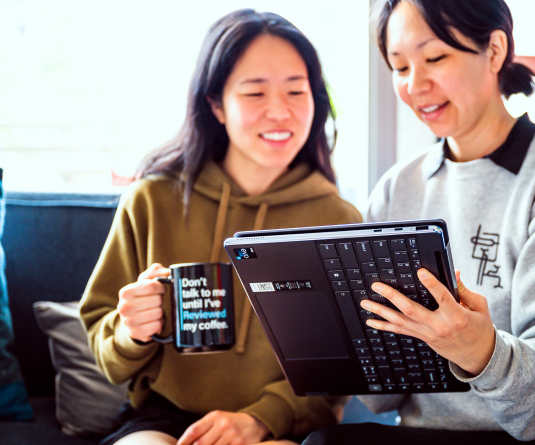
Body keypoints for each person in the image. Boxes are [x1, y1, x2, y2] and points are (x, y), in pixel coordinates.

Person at [303, 1, 535, 444]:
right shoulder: (400, 187)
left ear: (494, 50)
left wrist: (483, 352)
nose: (415, 85)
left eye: (435, 58)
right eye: (400, 67)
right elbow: (382, 398)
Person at [79, 9, 362, 445]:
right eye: (254, 93)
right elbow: (108, 357)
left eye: (295, 91)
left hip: (275, 427)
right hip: (161, 419)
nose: (279, 112)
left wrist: (262, 419)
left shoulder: (338, 221)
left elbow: (341, 374)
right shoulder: (151, 200)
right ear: (216, 105)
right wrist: (131, 332)